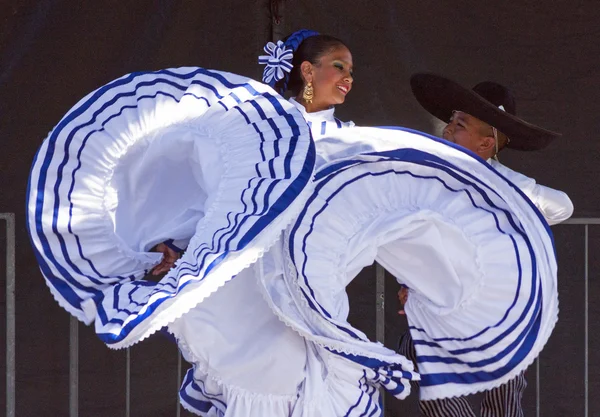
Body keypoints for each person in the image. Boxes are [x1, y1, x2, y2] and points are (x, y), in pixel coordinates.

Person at [395, 72, 574, 416]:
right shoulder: (432, 177)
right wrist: (411, 281)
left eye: (459, 124)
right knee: (427, 370)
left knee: (504, 395)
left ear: (485, 144)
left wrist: (505, 203)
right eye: (450, 121)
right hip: (442, 307)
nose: (447, 129)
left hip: (496, 309)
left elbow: (563, 206)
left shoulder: (507, 184)